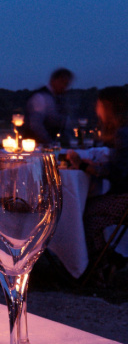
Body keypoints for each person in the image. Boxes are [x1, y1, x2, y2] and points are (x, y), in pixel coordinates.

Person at [67, 87, 128, 279]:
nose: (96, 109)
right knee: (91, 212)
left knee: (85, 212)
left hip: (125, 199)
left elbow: (119, 173)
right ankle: (109, 261)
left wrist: (83, 166)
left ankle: (97, 266)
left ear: (108, 107)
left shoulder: (124, 133)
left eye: (98, 105)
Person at [23, 68, 73, 145]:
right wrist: (50, 143)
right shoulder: (40, 97)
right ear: (53, 80)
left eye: (66, 84)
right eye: (62, 82)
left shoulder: (60, 98)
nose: (64, 87)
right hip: (38, 147)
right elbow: (36, 126)